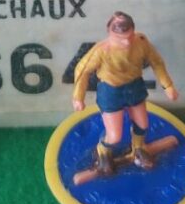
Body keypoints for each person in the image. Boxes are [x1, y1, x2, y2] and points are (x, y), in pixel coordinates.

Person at [72, 11, 179, 174]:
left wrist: (168, 86)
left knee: (142, 124)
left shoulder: (141, 42)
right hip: (111, 92)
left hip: (134, 87)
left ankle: (138, 148)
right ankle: (103, 151)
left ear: (133, 31)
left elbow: (156, 62)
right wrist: (78, 97)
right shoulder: (101, 50)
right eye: (120, 38)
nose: (127, 42)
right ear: (110, 33)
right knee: (114, 136)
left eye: (129, 36)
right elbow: (82, 70)